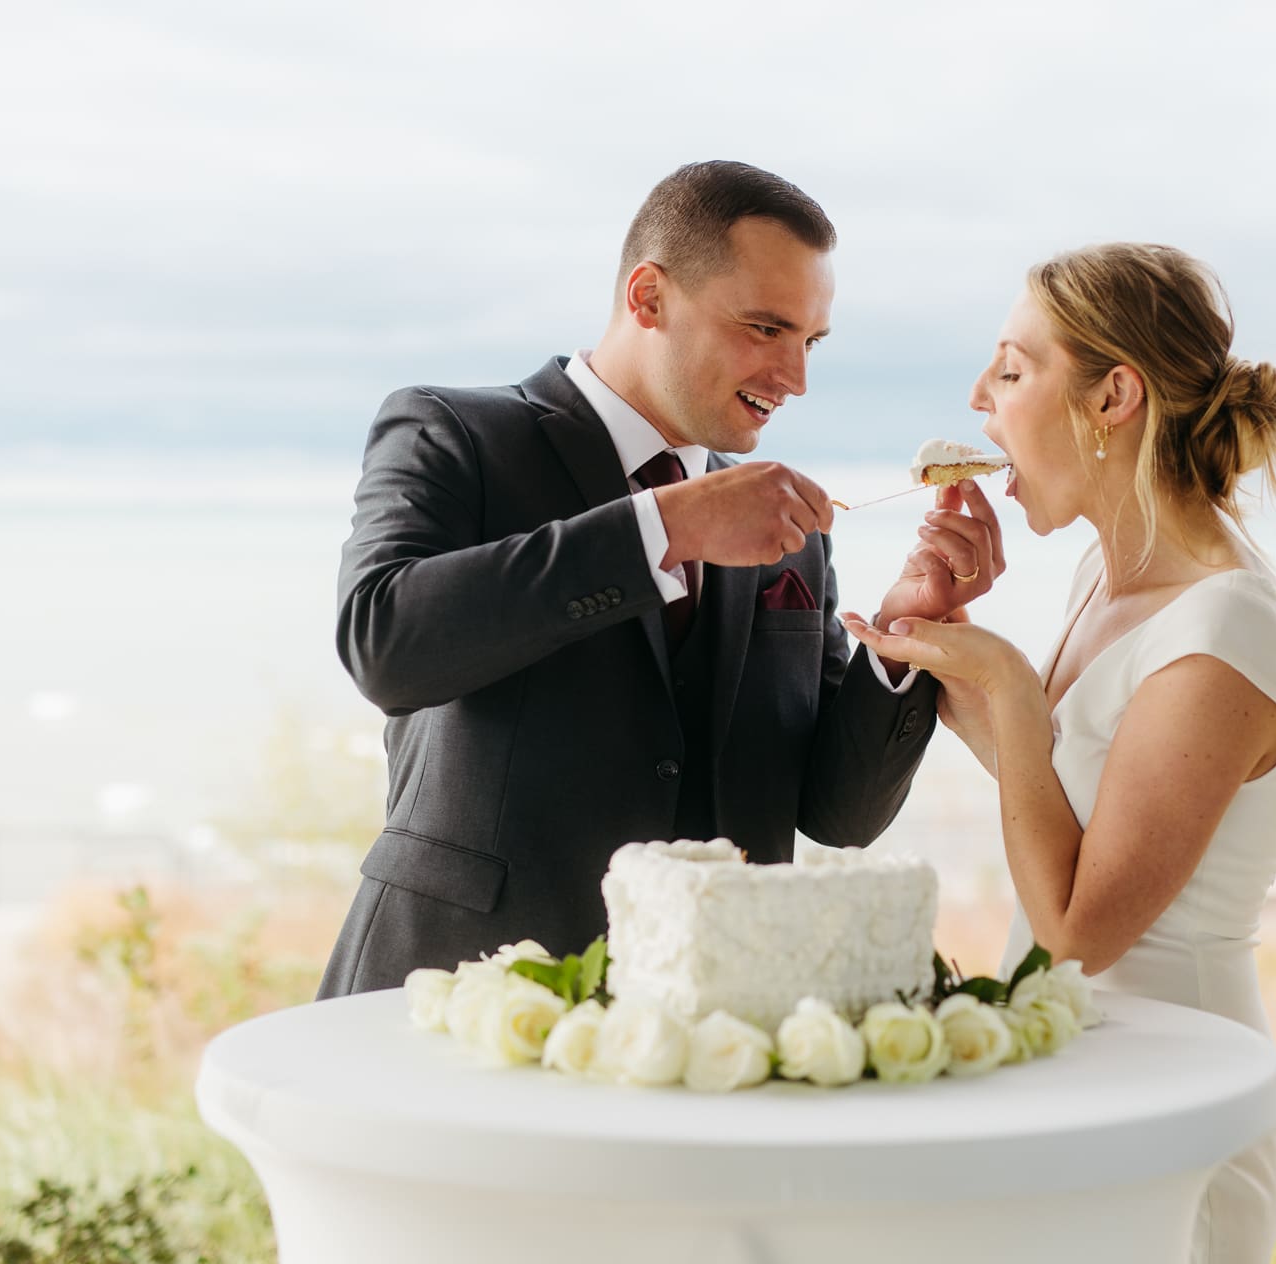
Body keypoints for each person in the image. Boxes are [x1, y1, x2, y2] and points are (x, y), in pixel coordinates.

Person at [316, 161, 1005, 998]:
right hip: (453, 1001)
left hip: (700, 1028)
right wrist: (667, 527)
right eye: (764, 329)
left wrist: (902, 637)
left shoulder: (784, 534)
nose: (796, 379)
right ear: (647, 298)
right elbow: (384, 645)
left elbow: (839, 814)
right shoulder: (453, 432)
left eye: (810, 341)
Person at [843, 243, 1276, 1264]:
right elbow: (1054, 787)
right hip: (1068, 1072)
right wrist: (929, 631)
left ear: (1113, 397)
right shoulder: (1104, 578)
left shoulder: (1224, 627)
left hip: (1169, 1091)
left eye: (1009, 370)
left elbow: (1080, 925)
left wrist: (1003, 683)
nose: (975, 400)